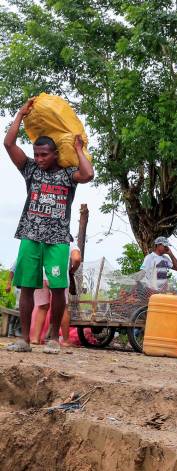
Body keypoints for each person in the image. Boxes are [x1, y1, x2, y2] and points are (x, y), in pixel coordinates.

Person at [4, 97, 94, 353]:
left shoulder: (67, 175)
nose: (40, 158)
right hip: (30, 235)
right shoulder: (31, 170)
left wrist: (77, 149)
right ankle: (24, 339)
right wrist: (20, 115)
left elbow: (87, 174)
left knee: (58, 288)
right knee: (27, 287)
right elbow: (8, 143)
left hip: (57, 238)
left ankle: (54, 339)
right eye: (37, 154)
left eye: (44, 155)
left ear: (56, 154)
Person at [5, 265, 21, 337]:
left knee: (25, 309)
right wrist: (8, 284)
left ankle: (17, 329)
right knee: (18, 308)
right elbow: (12, 271)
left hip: (29, 287)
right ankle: (11, 330)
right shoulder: (20, 257)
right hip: (19, 287)